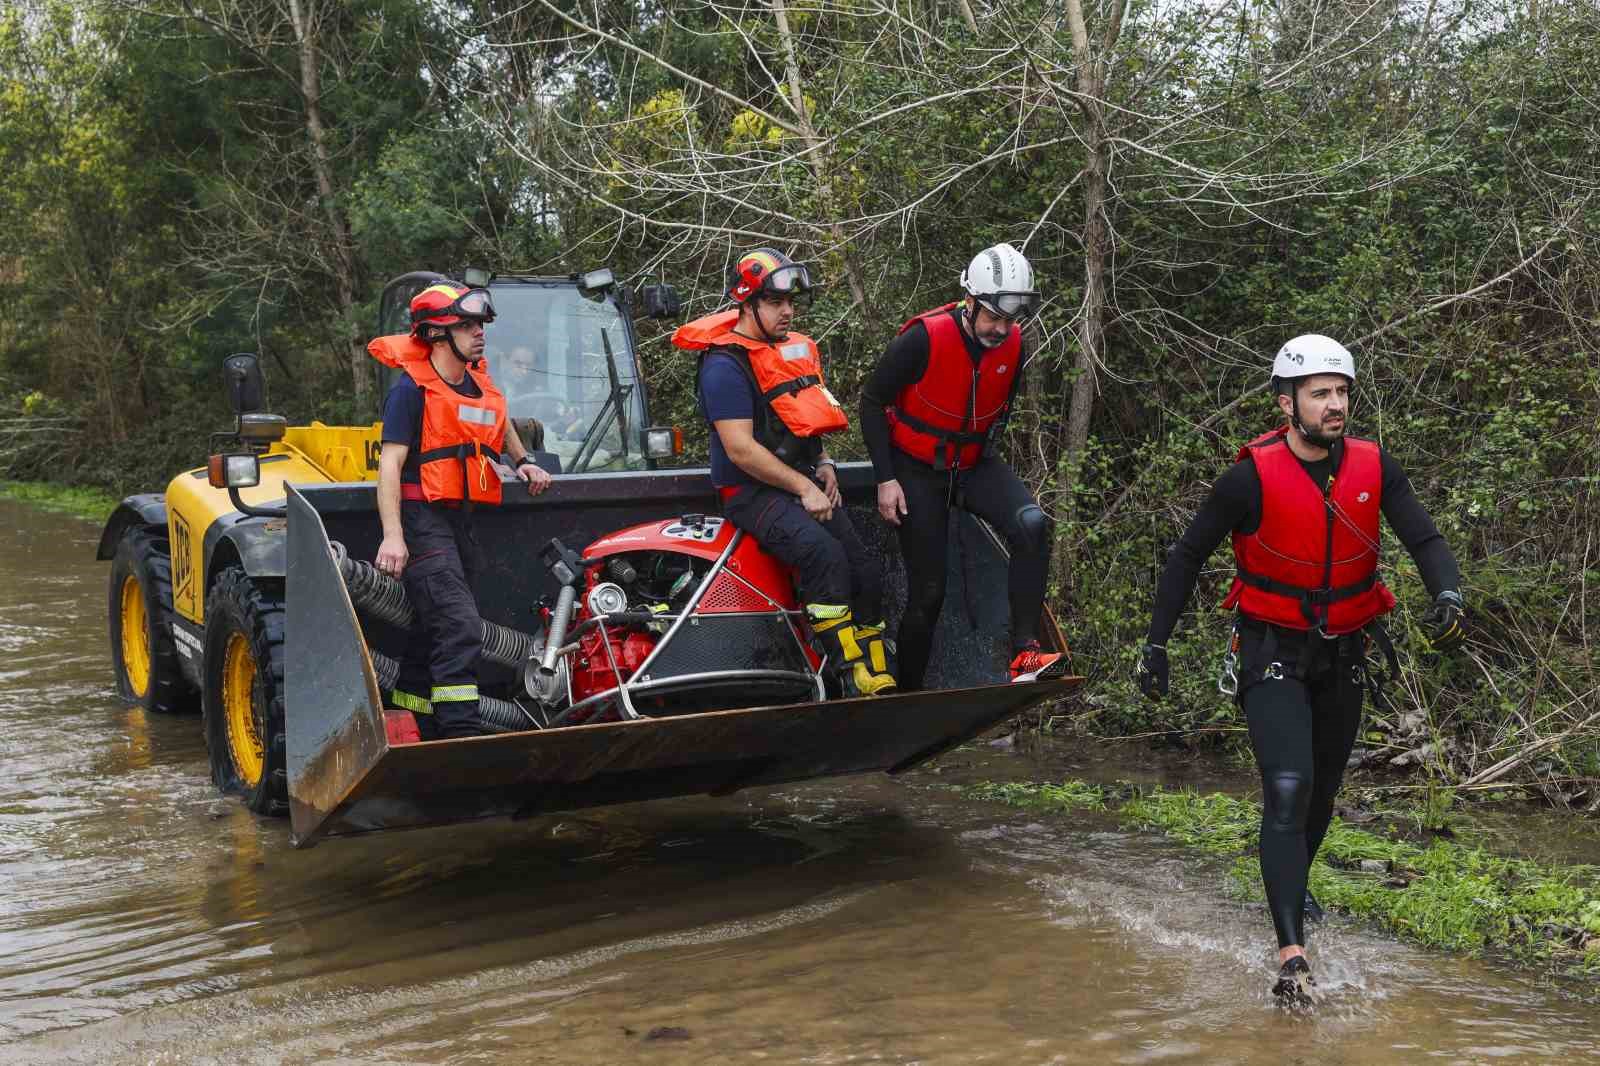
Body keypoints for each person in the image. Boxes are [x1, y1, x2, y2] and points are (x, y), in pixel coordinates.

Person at [1135, 334, 1466, 1005]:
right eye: (1320, 393)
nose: (1335, 404)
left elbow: (1424, 538)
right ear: (1288, 402)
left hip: (1344, 653)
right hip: (1270, 651)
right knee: (1288, 785)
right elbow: (1187, 556)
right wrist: (1156, 644)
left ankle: (1291, 882)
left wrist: (1449, 592)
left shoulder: (1376, 466)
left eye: (1341, 391)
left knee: (1319, 794)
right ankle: (1291, 956)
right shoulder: (1249, 477)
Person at [672, 248, 895, 698]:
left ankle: (878, 672)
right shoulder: (723, 366)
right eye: (775, 302)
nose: (787, 311)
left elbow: (803, 417)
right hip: (752, 495)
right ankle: (844, 677)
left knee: (866, 571)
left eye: (791, 302)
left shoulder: (789, 353)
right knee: (824, 558)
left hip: (802, 483)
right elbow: (740, 450)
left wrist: (825, 463)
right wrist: (802, 486)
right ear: (747, 303)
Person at [860, 242, 1067, 688]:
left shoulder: (1012, 342)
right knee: (930, 592)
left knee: (1031, 524)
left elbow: (998, 409)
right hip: (915, 468)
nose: (1001, 328)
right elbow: (872, 402)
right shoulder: (922, 338)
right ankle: (908, 696)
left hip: (972, 464)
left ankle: (1024, 654)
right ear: (969, 302)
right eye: (993, 316)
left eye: (1010, 319)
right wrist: (885, 479)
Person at [369, 281, 553, 739]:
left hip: (461, 520)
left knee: (428, 630)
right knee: (461, 627)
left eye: (480, 324)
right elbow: (389, 464)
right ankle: (461, 735)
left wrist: (523, 461)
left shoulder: (478, 380)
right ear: (436, 333)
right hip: (421, 521)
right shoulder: (411, 390)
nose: (479, 333)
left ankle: (412, 719)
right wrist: (393, 536)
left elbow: (498, 418)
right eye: (466, 325)